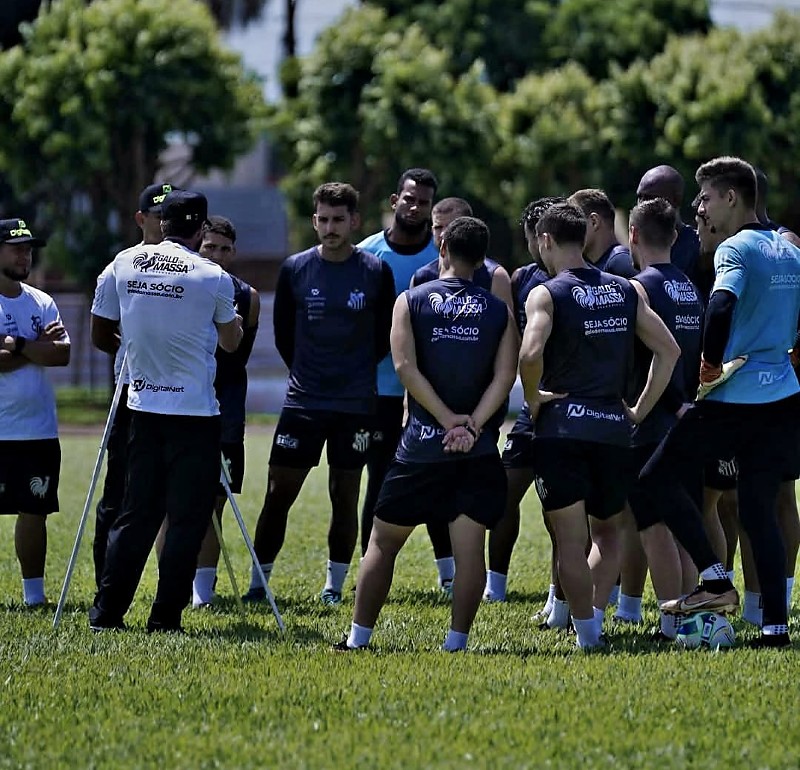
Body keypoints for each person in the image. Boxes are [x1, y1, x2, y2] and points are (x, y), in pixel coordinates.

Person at [336, 216, 518, 651]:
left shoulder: (411, 300)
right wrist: (471, 423)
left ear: (443, 252)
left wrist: (444, 419)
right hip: (476, 451)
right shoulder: (499, 311)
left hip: (421, 446)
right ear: (481, 260)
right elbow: (505, 376)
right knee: (470, 550)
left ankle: (359, 638)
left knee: (382, 542)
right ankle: (456, 642)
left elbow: (404, 368)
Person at [640, 156, 800, 648]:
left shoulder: (735, 248)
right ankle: (774, 627)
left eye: (705, 196)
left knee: (654, 481)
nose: (700, 207)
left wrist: (709, 365)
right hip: (784, 398)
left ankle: (713, 579)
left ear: (732, 198)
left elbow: (722, 304)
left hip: (733, 397)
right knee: (758, 511)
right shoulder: (789, 250)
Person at [519, 202, 680, 650]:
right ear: (585, 239)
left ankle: (588, 635)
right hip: (614, 429)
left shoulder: (546, 293)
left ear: (546, 241)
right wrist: (638, 411)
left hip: (562, 431)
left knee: (571, 540)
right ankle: (590, 625)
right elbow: (669, 352)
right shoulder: (627, 290)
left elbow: (530, 355)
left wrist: (534, 400)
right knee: (607, 533)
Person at [88, 190, 243, 632]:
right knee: (186, 519)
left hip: (142, 407)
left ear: (161, 223)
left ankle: (107, 613)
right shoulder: (212, 275)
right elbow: (230, 343)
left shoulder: (122, 264)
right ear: (200, 230)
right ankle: (165, 619)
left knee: (136, 513)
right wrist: (234, 324)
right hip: (195, 413)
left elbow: (102, 330)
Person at [244, 183, 395, 606]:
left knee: (345, 495)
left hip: (355, 404)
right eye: (323, 220)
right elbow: (284, 336)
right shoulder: (294, 268)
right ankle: (260, 582)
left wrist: (352, 373)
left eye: (338, 220)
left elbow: (383, 336)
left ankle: (334, 586)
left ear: (354, 222)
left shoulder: (375, 272)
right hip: (303, 403)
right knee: (278, 494)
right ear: (314, 221)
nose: (330, 228)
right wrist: (309, 375)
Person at [409, 195, 513, 595]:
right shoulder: (420, 280)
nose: (440, 234)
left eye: (448, 227)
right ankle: (449, 570)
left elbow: (505, 348)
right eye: (436, 226)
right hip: (432, 410)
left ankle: (477, 574)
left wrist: (478, 417)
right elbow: (413, 357)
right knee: (435, 484)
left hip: (480, 407)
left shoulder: (496, 278)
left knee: (473, 489)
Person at [617, 198, 705, 640]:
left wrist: (644, 410)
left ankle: (672, 624)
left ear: (632, 235)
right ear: (674, 237)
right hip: (690, 420)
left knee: (653, 528)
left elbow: (658, 357)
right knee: (683, 525)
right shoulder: (691, 287)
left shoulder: (637, 288)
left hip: (652, 421)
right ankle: (694, 618)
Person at [357, 169, 443, 583]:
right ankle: (365, 566)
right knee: (378, 478)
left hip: (431, 394)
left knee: (440, 478)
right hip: (379, 392)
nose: (414, 206)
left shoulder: (441, 259)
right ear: (394, 200)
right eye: (408, 199)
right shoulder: (366, 254)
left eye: (423, 202)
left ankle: (449, 574)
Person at [90, 182, 175, 588]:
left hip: (182, 393)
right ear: (142, 219)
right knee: (118, 490)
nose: (165, 222)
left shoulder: (192, 265)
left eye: (172, 215)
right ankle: (104, 578)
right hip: (133, 389)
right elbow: (101, 332)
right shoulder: (121, 265)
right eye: (159, 215)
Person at [484, 196, 563, 607]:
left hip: (565, 407)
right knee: (503, 492)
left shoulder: (575, 279)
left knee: (561, 511)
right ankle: (495, 586)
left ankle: (557, 594)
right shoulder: (521, 279)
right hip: (532, 410)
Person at [191, 216, 260, 607]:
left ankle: (203, 590)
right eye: (208, 247)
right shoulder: (180, 286)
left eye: (223, 248)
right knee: (175, 500)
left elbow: (235, 357)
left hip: (226, 408)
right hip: (182, 403)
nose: (215, 255)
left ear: (234, 252)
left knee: (216, 502)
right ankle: (176, 582)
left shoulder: (247, 297)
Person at [0, 218, 70, 606]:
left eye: (28, 248)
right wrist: (33, 347)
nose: (25, 254)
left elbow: (61, 353)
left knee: (33, 512)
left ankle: (34, 596)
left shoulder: (41, 301)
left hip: (37, 430)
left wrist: (13, 343)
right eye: (16, 247)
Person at [636, 165, 700, 279]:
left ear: (675, 200)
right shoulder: (639, 244)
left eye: (650, 198)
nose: (642, 204)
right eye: (640, 197)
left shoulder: (697, 247)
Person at [568, 189, 637, 278]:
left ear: (594, 222)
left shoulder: (620, 261)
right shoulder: (593, 265)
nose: (568, 232)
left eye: (572, 223)